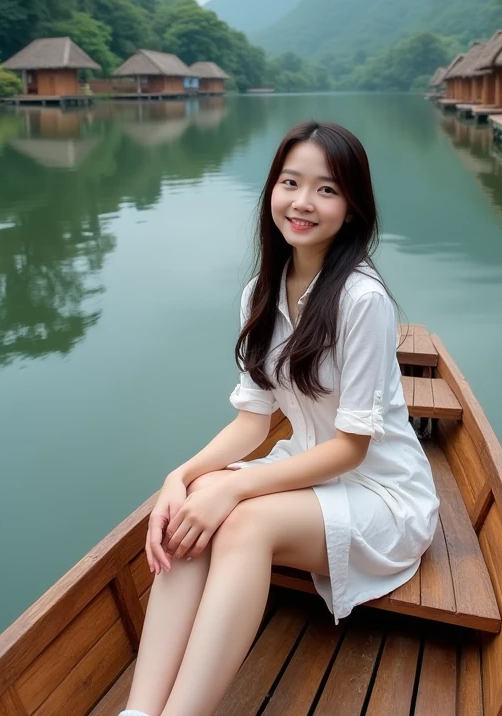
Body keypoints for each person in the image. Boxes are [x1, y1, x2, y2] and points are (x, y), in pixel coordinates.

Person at [120, 120, 439, 716]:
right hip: (307, 472)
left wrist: (238, 485)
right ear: (271, 190)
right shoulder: (260, 293)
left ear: (352, 207)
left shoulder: (362, 299)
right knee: (195, 503)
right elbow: (252, 420)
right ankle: (139, 711)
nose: (303, 202)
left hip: (383, 493)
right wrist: (179, 477)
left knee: (240, 522)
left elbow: (352, 448)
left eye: (326, 188)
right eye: (291, 182)